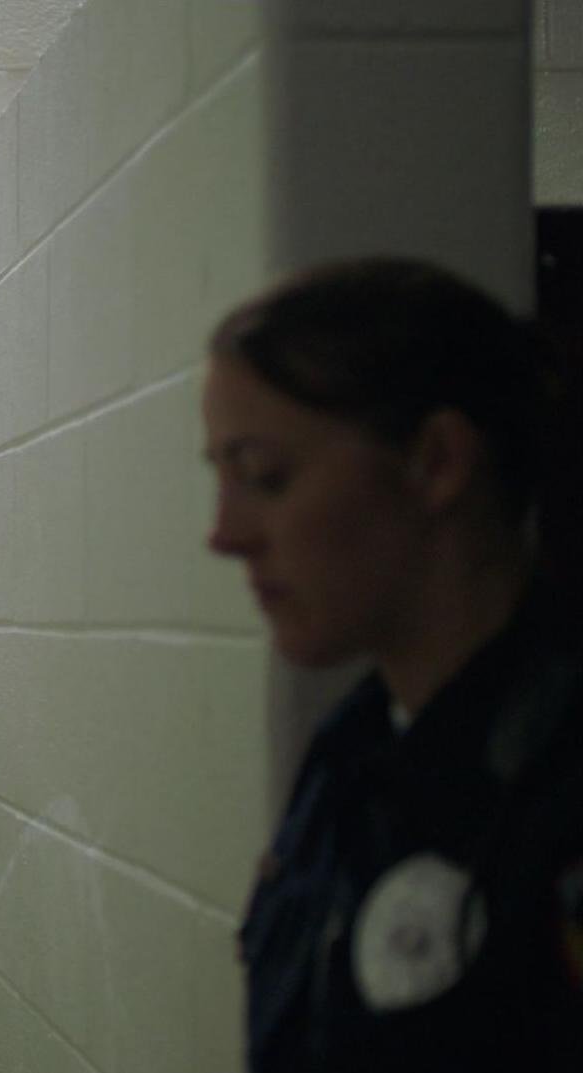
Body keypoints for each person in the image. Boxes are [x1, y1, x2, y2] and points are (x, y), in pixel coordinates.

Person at [200, 256, 583, 1072]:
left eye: (265, 476)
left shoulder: (555, 782)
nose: (225, 533)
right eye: (222, 476)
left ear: (436, 462)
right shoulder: (352, 757)